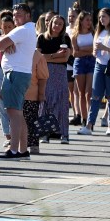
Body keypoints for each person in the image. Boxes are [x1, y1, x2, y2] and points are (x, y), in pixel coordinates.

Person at [0, 3, 37, 158]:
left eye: (19, 14)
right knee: (17, 112)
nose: (15, 17)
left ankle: (14, 149)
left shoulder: (22, 30)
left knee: (13, 113)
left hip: (15, 73)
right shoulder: (28, 29)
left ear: (28, 15)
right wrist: (8, 44)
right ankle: (22, 149)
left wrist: (6, 44)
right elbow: (3, 45)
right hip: (20, 73)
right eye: (14, 14)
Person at [79, 8, 110, 137]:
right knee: (95, 96)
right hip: (99, 65)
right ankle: (89, 125)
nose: (101, 19)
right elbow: (95, 50)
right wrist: (95, 51)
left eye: (104, 17)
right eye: (100, 17)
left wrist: (105, 48)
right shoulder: (99, 32)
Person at [37, 15, 72, 144]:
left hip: (60, 72)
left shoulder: (65, 38)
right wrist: (54, 55)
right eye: (55, 23)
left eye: (60, 24)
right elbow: (38, 56)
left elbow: (65, 58)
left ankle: (64, 134)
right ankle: (45, 133)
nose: (57, 26)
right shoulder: (42, 37)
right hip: (45, 71)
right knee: (45, 101)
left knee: (62, 102)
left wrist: (48, 57)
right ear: (50, 23)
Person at [70, 11, 95, 127]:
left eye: (90, 20)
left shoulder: (93, 33)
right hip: (79, 63)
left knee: (88, 93)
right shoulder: (75, 35)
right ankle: (83, 119)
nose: (89, 22)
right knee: (80, 92)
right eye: (87, 20)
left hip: (91, 62)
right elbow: (75, 53)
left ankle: (90, 120)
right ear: (81, 21)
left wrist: (83, 49)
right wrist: (88, 49)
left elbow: (95, 50)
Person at [22, 51, 49, 154]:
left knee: (32, 121)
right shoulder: (16, 52)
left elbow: (42, 77)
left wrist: (41, 94)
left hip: (31, 94)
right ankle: (19, 144)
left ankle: (33, 145)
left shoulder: (37, 55)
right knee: (17, 121)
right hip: (16, 93)